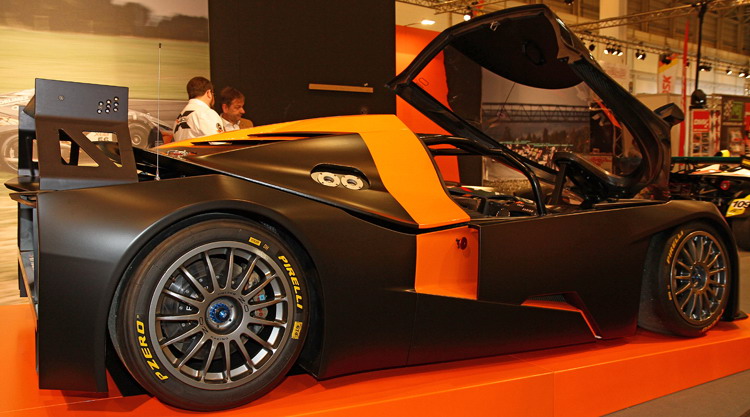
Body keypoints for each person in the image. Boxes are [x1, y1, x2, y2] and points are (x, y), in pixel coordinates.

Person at [173, 76, 224, 141]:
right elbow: (218, 142)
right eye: (213, 94)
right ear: (208, 93)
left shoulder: (178, 119)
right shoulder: (206, 113)